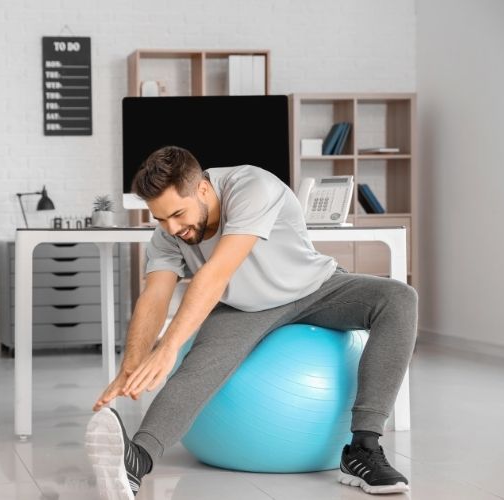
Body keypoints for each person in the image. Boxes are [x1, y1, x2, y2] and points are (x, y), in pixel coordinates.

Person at [85, 146, 417, 498]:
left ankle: (364, 448)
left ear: (201, 189)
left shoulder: (251, 186)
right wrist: (132, 361)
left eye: (178, 215)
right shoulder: (168, 231)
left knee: (398, 298)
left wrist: (167, 347)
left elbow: (216, 273)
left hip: (315, 287)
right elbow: (154, 296)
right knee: (197, 369)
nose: (172, 228)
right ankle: (136, 460)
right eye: (161, 219)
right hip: (243, 308)